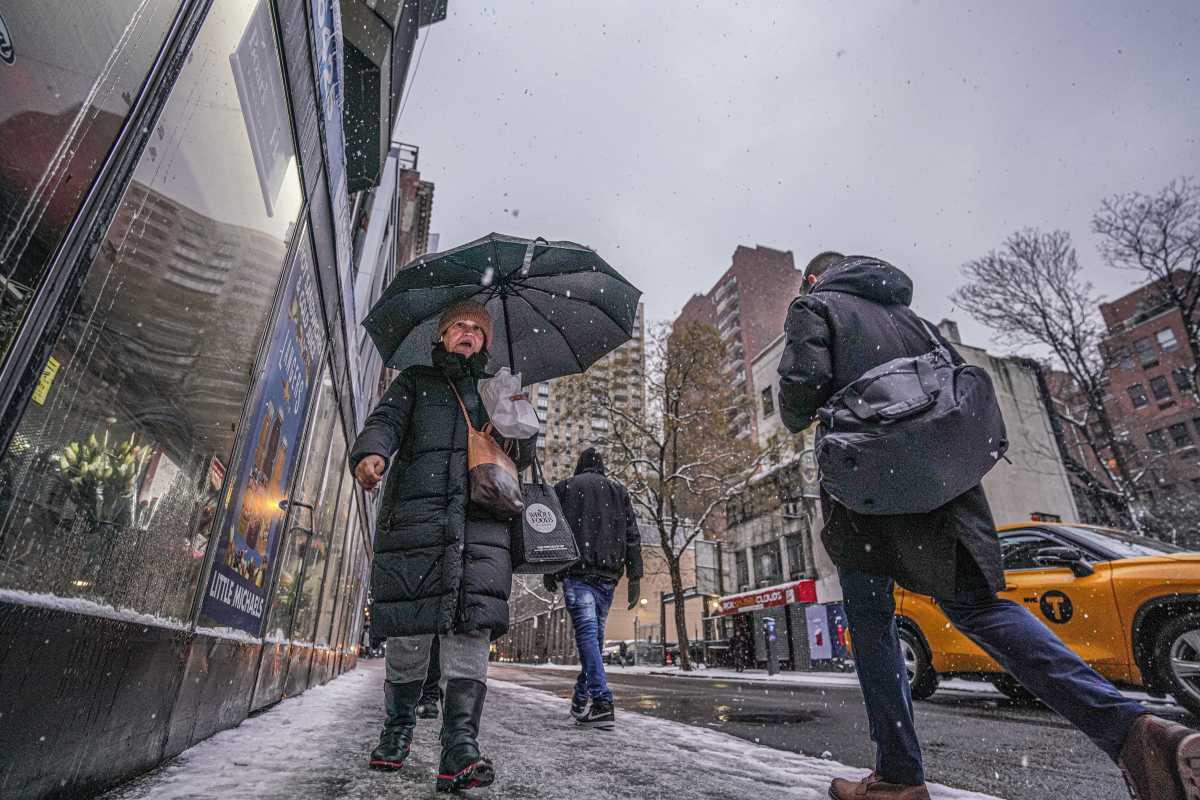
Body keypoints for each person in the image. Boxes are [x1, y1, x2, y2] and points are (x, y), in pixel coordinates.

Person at [777, 252, 1199, 800]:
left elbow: (796, 400)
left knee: (875, 628)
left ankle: (899, 777)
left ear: (816, 278)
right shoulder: (915, 322)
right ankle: (1134, 732)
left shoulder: (816, 306)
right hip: (949, 492)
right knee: (982, 608)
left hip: (868, 492)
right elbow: (963, 396)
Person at [350, 299, 536, 793]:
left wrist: (514, 410)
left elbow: (525, 455)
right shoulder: (414, 381)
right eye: (460, 326)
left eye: (479, 329)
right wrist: (372, 454)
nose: (469, 333)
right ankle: (397, 730)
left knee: (470, 633)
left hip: (481, 530)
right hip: (418, 521)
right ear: (442, 336)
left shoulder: (496, 389)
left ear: (487, 341)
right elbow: (384, 422)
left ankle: (460, 749)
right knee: (410, 635)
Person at [543, 447, 642, 730]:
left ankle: (601, 702)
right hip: (608, 576)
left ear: (579, 465)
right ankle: (581, 697)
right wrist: (634, 576)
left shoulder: (565, 488)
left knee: (588, 636)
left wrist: (550, 569)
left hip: (578, 572)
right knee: (594, 639)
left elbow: (553, 530)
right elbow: (632, 534)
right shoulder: (618, 491)